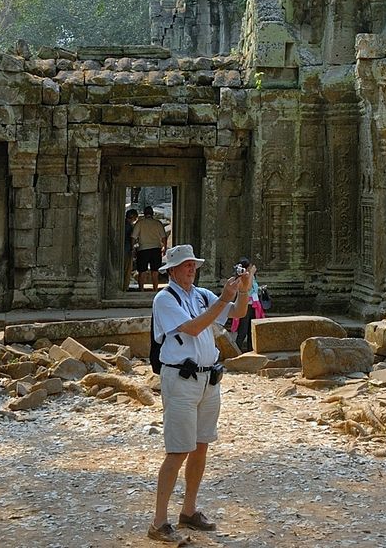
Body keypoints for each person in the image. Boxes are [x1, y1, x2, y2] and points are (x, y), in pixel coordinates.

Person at [148, 244, 251, 544]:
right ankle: (158, 521)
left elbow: (238, 313)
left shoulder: (201, 294)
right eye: (186, 265)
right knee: (178, 450)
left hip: (208, 378)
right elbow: (193, 328)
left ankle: (189, 510)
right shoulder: (164, 299)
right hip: (181, 379)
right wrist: (223, 298)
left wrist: (243, 290)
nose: (191, 269)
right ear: (173, 270)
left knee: (201, 445)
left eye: (193, 264)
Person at [230, 257, 265, 352]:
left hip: (253, 305)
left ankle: (251, 351)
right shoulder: (243, 276)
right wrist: (252, 273)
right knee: (243, 331)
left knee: (251, 330)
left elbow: (253, 288)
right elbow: (247, 288)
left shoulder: (251, 276)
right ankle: (236, 351)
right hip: (245, 305)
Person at [132, 206, 168, 292]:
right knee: (155, 272)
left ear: (144, 214)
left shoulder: (140, 223)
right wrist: (165, 248)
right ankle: (155, 290)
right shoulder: (157, 223)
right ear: (152, 214)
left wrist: (132, 248)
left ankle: (141, 290)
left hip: (143, 249)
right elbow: (164, 237)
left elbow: (133, 237)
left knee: (142, 271)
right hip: (156, 249)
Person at [124, 208, 139, 290]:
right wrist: (133, 248)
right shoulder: (129, 226)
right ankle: (125, 287)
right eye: (135, 218)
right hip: (127, 250)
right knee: (127, 270)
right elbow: (132, 238)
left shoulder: (122, 224)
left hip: (122, 250)